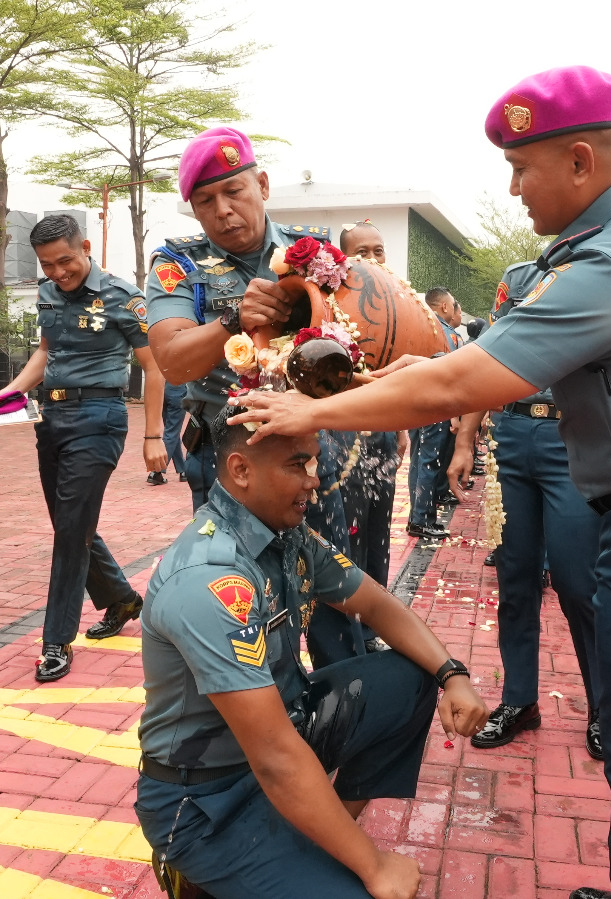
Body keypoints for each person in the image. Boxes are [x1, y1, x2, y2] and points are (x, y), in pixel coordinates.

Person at [232, 65, 611, 899]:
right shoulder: (605, 247)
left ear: (583, 163)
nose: (514, 188)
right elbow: (474, 361)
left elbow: (458, 387)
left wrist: (311, 415)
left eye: (524, 168)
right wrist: (415, 365)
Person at [135, 407, 488, 899]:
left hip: (285, 730)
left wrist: (453, 674)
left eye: (315, 462)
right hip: (209, 797)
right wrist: (373, 866)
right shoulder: (210, 579)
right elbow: (276, 758)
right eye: (297, 464)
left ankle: (311, 838)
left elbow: (376, 603)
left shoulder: (286, 535)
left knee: (411, 679)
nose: (315, 479)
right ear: (241, 470)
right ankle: (204, 869)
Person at [143, 125, 358, 669]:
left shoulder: (314, 252)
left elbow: (360, 339)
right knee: (238, 585)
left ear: (262, 184)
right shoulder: (176, 262)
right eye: (205, 201)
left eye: (234, 191)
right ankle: (262, 705)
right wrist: (232, 319)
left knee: (334, 580)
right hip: (227, 454)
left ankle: (344, 696)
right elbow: (171, 358)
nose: (223, 211)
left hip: (315, 445)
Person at [0, 214, 168, 677]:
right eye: (47, 265)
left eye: (65, 262)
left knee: (71, 531)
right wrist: (4, 395)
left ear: (86, 247)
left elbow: (155, 367)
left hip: (99, 419)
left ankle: (56, 641)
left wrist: (154, 435)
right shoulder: (48, 292)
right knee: (71, 524)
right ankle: (123, 600)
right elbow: (45, 352)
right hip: (50, 419)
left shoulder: (122, 296)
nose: (57, 273)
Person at [447, 260, 603, 761]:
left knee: (580, 582)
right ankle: (520, 700)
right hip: (513, 435)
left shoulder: (608, 272)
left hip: (574, 438)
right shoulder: (520, 280)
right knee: (515, 577)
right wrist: (466, 439)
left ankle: (607, 707)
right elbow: (485, 362)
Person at [335, 222, 409, 592]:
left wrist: (400, 426)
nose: (371, 258)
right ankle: (352, 618)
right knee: (349, 527)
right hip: (342, 431)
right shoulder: (331, 303)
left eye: (378, 251)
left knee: (379, 527)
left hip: (382, 429)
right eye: (361, 252)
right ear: (344, 257)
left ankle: (376, 616)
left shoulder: (395, 301)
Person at [406, 288, 464, 540]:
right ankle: (422, 518)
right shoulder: (447, 335)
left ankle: (417, 517)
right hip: (436, 405)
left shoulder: (413, 329)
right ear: (443, 307)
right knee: (430, 460)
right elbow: (450, 375)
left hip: (414, 403)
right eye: (452, 304)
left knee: (418, 460)